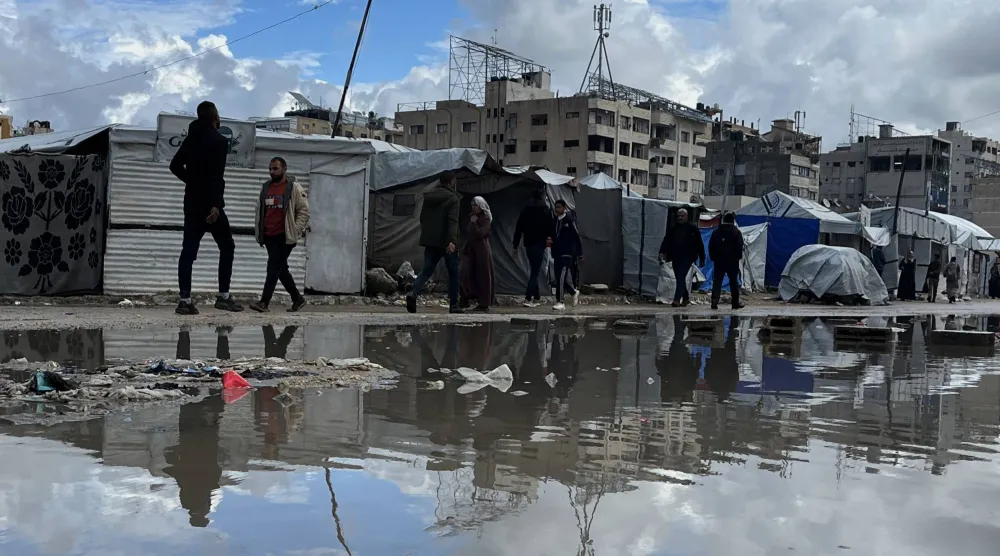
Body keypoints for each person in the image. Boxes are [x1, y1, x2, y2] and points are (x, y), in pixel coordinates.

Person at [170, 101, 242, 315]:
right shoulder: (219, 141)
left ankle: (185, 300)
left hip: (192, 203)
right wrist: (216, 205)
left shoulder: (190, 140)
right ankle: (223, 297)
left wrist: (192, 182)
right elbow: (216, 177)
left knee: (188, 252)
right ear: (214, 117)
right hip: (210, 205)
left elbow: (174, 166)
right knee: (227, 246)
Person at [248, 157, 310, 313]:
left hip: (284, 236)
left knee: (273, 267)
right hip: (269, 236)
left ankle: (264, 302)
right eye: (270, 169)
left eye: (275, 168)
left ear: (284, 168)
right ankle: (297, 298)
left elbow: (303, 211)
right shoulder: (266, 187)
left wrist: (296, 229)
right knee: (281, 269)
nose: (271, 172)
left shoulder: (293, 187)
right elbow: (261, 210)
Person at [407, 172, 463, 314]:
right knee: (454, 272)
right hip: (446, 242)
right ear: (452, 181)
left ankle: (413, 293)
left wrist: (429, 235)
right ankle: (454, 304)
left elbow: (423, 218)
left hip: (431, 241)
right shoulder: (453, 198)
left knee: (427, 270)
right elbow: (452, 222)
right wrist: (452, 241)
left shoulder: (429, 196)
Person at [513, 189, 554, 307]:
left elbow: (518, 228)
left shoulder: (525, 209)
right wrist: (550, 239)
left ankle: (537, 297)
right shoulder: (545, 210)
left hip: (528, 244)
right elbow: (550, 228)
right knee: (535, 271)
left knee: (533, 269)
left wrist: (515, 245)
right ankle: (528, 298)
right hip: (540, 244)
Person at [659, 208, 705, 307]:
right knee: (680, 278)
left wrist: (702, 258)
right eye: (678, 216)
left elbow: (699, 244)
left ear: (686, 216)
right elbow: (666, 241)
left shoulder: (693, 229)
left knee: (681, 276)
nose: (680, 218)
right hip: (675, 256)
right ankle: (686, 298)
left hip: (688, 257)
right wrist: (662, 252)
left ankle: (676, 299)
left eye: (682, 216)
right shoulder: (674, 229)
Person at [460, 196, 495, 312]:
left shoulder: (485, 218)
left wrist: (474, 224)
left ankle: (484, 303)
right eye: (472, 206)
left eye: (475, 205)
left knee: (483, 276)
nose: (474, 208)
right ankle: (466, 299)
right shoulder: (473, 217)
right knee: (466, 274)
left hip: (482, 251)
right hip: (471, 250)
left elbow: (480, 234)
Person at [550, 199, 582, 311]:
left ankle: (560, 301)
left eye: (559, 207)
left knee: (561, 276)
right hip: (556, 252)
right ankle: (573, 292)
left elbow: (577, 237)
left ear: (564, 208)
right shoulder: (554, 221)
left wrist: (579, 254)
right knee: (559, 277)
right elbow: (552, 236)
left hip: (567, 253)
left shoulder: (569, 220)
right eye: (556, 207)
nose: (557, 209)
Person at [708, 212, 745, 310]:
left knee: (717, 281)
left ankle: (714, 302)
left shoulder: (716, 231)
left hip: (719, 261)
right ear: (732, 221)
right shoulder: (736, 232)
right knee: (733, 282)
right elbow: (739, 246)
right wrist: (738, 257)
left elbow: (711, 246)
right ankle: (735, 303)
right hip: (732, 261)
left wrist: (713, 257)